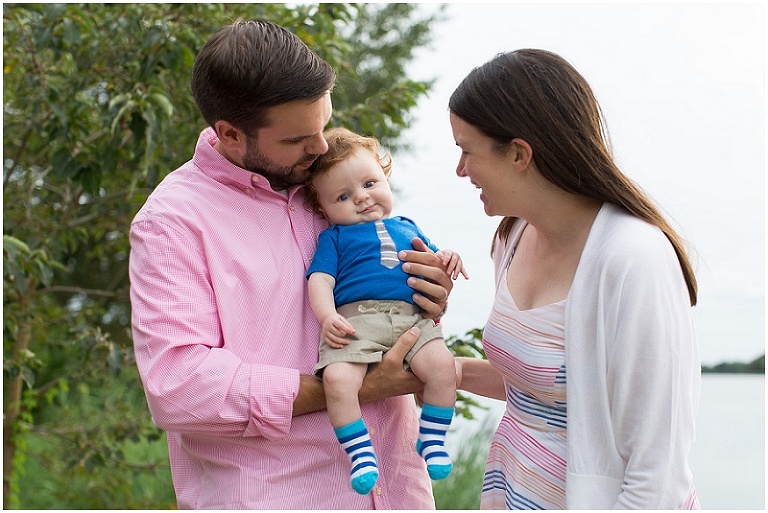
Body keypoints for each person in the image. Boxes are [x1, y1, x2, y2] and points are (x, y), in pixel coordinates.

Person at [128, 20, 454, 509]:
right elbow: (178, 385)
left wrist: (427, 293)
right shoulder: (172, 222)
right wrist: (347, 388)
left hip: (400, 491)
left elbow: (384, 294)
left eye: (322, 125)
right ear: (230, 134)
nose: (321, 148)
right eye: (298, 138)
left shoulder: (330, 186)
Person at [448, 49, 701, 509]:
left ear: (519, 153)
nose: (460, 169)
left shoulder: (634, 258)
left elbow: (658, 478)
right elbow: (551, 393)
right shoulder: (512, 236)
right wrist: (455, 371)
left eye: (467, 150)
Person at [304, 127, 467, 494]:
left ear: (385, 176)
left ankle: (433, 437)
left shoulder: (406, 226)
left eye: (370, 183)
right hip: (357, 320)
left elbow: (433, 260)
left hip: (409, 318)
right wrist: (327, 316)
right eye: (343, 196)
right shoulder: (334, 237)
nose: (361, 198)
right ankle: (360, 452)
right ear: (323, 209)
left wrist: (448, 258)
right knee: (337, 380)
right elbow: (320, 280)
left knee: (442, 367)